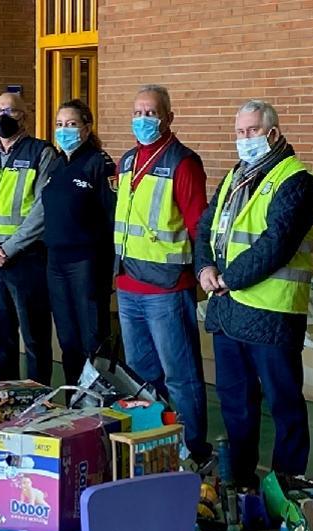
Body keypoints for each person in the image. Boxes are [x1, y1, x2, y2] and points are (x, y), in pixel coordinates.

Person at [195, 100, 313, 488]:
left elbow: (277, 243)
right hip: (229, 310)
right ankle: (240, 478)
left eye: (252, 131)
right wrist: (204, 267)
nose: (244, 139)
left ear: (273, 133)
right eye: (239, 132)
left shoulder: (296, 180)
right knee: (235, 404)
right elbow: (206, 225)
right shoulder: (237, 174)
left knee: (284, 405)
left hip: (272, 314)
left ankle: (287, 483)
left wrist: (228, 277)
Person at [113, 84, 211, 460]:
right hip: (128, 286)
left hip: (167, 290)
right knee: (141, 378)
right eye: (137, 113)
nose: (142, 120)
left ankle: (191, 449)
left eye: (150, 113)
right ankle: (153, 445)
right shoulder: (125, 163)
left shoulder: (183, 163)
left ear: (169, 118)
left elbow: (197, 227)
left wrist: (202, 270)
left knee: (180, 377)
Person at [0, 91, 58, 383]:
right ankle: (4, 398)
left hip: (25, 259)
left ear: (25, 117)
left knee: (34, 338)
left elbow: (44, 209)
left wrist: (7, 249)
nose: (3, 117)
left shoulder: (41, 153)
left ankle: (39, 401)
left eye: (10, 111)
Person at [42, 99, 116, 385]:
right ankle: (75, 398)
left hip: (86, 262)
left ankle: (98, 403)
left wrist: (110, 267)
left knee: (92, 338)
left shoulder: (99, 163)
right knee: (67, 338)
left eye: (71, 124)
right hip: (56, 262)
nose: (64, 130)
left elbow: (111, 217)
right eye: (59, 125)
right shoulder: (57, 165)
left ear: (86, 129)